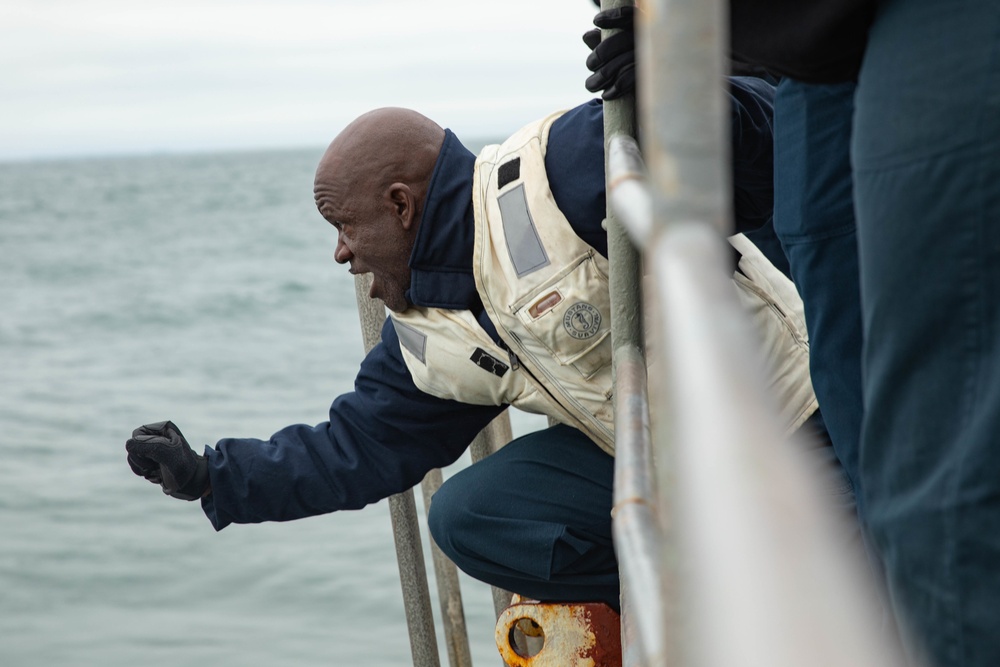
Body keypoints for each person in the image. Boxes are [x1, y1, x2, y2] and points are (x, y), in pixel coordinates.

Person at [126, 78, 835, 611]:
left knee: (881, 602)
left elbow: (759, 134)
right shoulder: (426, 333)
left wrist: (668, 84)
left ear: (402, 204)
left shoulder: (563, 170)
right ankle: (706, 580)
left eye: (343, 225)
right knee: (470, 515)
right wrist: (211, 475)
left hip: (801, 424)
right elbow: (354, 449)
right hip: (668, 466)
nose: (340, 253)